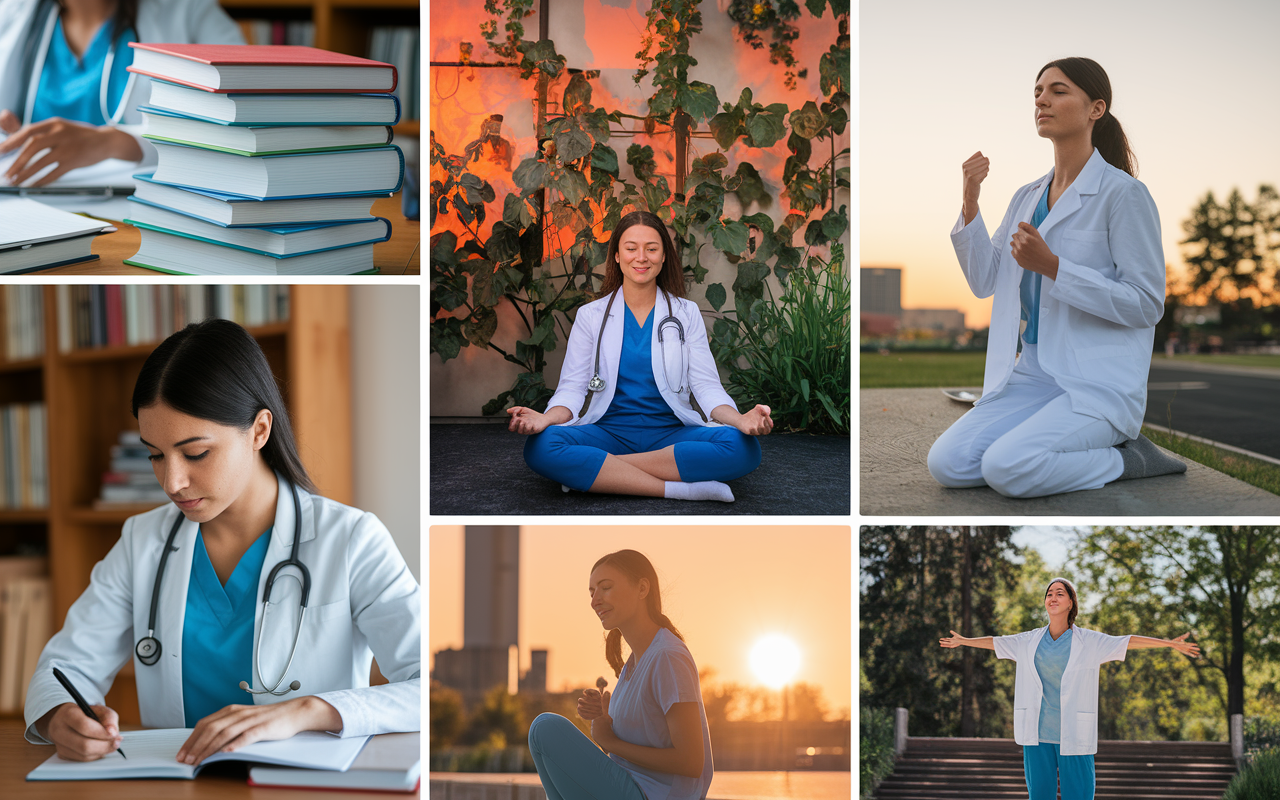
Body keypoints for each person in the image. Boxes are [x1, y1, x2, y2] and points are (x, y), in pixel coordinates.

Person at [24, 318, 420, 764]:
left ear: (259, 431)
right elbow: (64, 667)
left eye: (196, 453)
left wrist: (309, 710)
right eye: (155, 455)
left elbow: (430, 686)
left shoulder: (350, 540)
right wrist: (60, 715)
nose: (172, 481)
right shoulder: (142, 541)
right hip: (177, 787)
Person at [927, 56, 1186, 499]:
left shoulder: (1124, 195)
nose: (1041, 99)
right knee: (947, 464)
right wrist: (970, 202)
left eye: (1058, 91)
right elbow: (985, 281)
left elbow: (1146, 304)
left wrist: (1054, 267)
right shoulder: (1026, 197)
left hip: (1095, 383)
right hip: (1031, 373)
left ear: (1095, 109)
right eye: (1037, 92)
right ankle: (1068, 446)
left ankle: (1130, 457)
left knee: (1007, 470)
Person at [508, 210, 772, 503]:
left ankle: (600, 475)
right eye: (631, 248)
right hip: (608, 434)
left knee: (743, 447)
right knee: (541, 446)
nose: (641, 257)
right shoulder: (591, 316)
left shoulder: (686, 314)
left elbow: (706, 387)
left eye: (652, 249)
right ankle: (681, 490)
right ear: (618, 256)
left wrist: (740, 420)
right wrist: (544, 419)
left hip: (669, 436)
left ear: (663, 257)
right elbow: (571, 390)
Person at [940, 577, 1200, 800]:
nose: (1053, 597)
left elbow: (1128, 642)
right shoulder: (1029, 640)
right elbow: (996, 642)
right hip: (1037, 735)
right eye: (1049, 594)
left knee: (1080, 796)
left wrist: (1168, 643)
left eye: (1059, 593)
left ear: (1070, 603)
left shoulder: (1089, 641)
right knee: (1039, 796)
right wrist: (965, 641)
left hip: (1074, 734)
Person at [528, 549, 713, 800]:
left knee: (545, 727)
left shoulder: (667, 656)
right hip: (631, 785)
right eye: (592, 593)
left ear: (642, 588)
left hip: (654, 795)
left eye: (605, 588)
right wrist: (603, 723)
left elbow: (691, 761)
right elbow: (632, 744)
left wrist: (611, 743)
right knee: (542, 736)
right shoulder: (632, 665)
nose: (594, 601)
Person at [0, 0, 243, 187]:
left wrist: (114, 142)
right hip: (30, 198)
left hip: (133, 207)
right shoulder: (12, 11)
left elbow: (245, 112)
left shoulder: (187, 11)